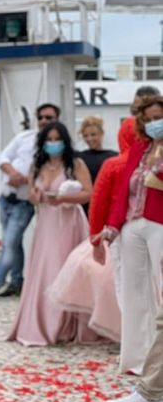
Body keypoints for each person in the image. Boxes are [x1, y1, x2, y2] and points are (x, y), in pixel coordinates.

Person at [7, 122, 98, 346]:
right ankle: (43, 322)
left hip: (69, 221)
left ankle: (67, 324)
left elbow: (89, 193)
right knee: (45, 269)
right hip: (46, 223)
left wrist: (63, 199)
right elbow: (31, 195)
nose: (53, 144)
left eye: (58, 139)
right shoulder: (36, 167)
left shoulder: (74, 165)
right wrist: (36, 196)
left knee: (65, 267)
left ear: (64, 141)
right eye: (50, 140)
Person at [47, 120, 138, 342]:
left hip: (115, 227)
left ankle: (131, 335)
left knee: (121, 282)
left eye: (93, 133)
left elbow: (100, 200)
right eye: (86, 134)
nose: (90, 137)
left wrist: (97, 235)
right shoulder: (129, 163)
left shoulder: (115, 162)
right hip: (121, 226)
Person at [96, 95, 163, 374]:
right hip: (132, 226)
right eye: (147, 120)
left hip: (159, 222)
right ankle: (138, 360)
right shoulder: (139, 149)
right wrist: (111, 226)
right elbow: (123, 190)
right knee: (133, 294)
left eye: (157, 117)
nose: (153, 124)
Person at [0, 103, 61, 301]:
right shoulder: (24, 137)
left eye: (49, 118)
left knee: (9, 243)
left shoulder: (54, 145)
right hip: (5, 199)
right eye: (41, 117)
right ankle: (16, 282)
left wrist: (26, 179)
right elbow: (3, 157)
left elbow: (51, 172)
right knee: (14, 245)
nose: (44, 121)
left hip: (24, 203)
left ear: (56, 119)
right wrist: (13, 173)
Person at [76, 116, 117, 215]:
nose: (89, 139)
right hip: (85, 206)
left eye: (93, 135)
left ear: (101, 134)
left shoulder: (112, 156)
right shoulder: (79, 157)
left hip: (106, 204)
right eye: (86, 136)